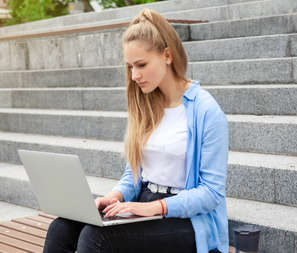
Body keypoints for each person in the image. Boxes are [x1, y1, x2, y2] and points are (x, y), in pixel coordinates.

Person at [43, 8, 229, 253]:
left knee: (96, 237)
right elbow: (133, 176)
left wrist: (154, 207)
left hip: (187, 220)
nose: (134, 75)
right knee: (61, 228)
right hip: (142, 203)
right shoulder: (145, 106)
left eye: (141, 65)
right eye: (130, 66)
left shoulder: (206, 111)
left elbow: (211, 193)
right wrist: (115, 196)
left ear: (167, 56)